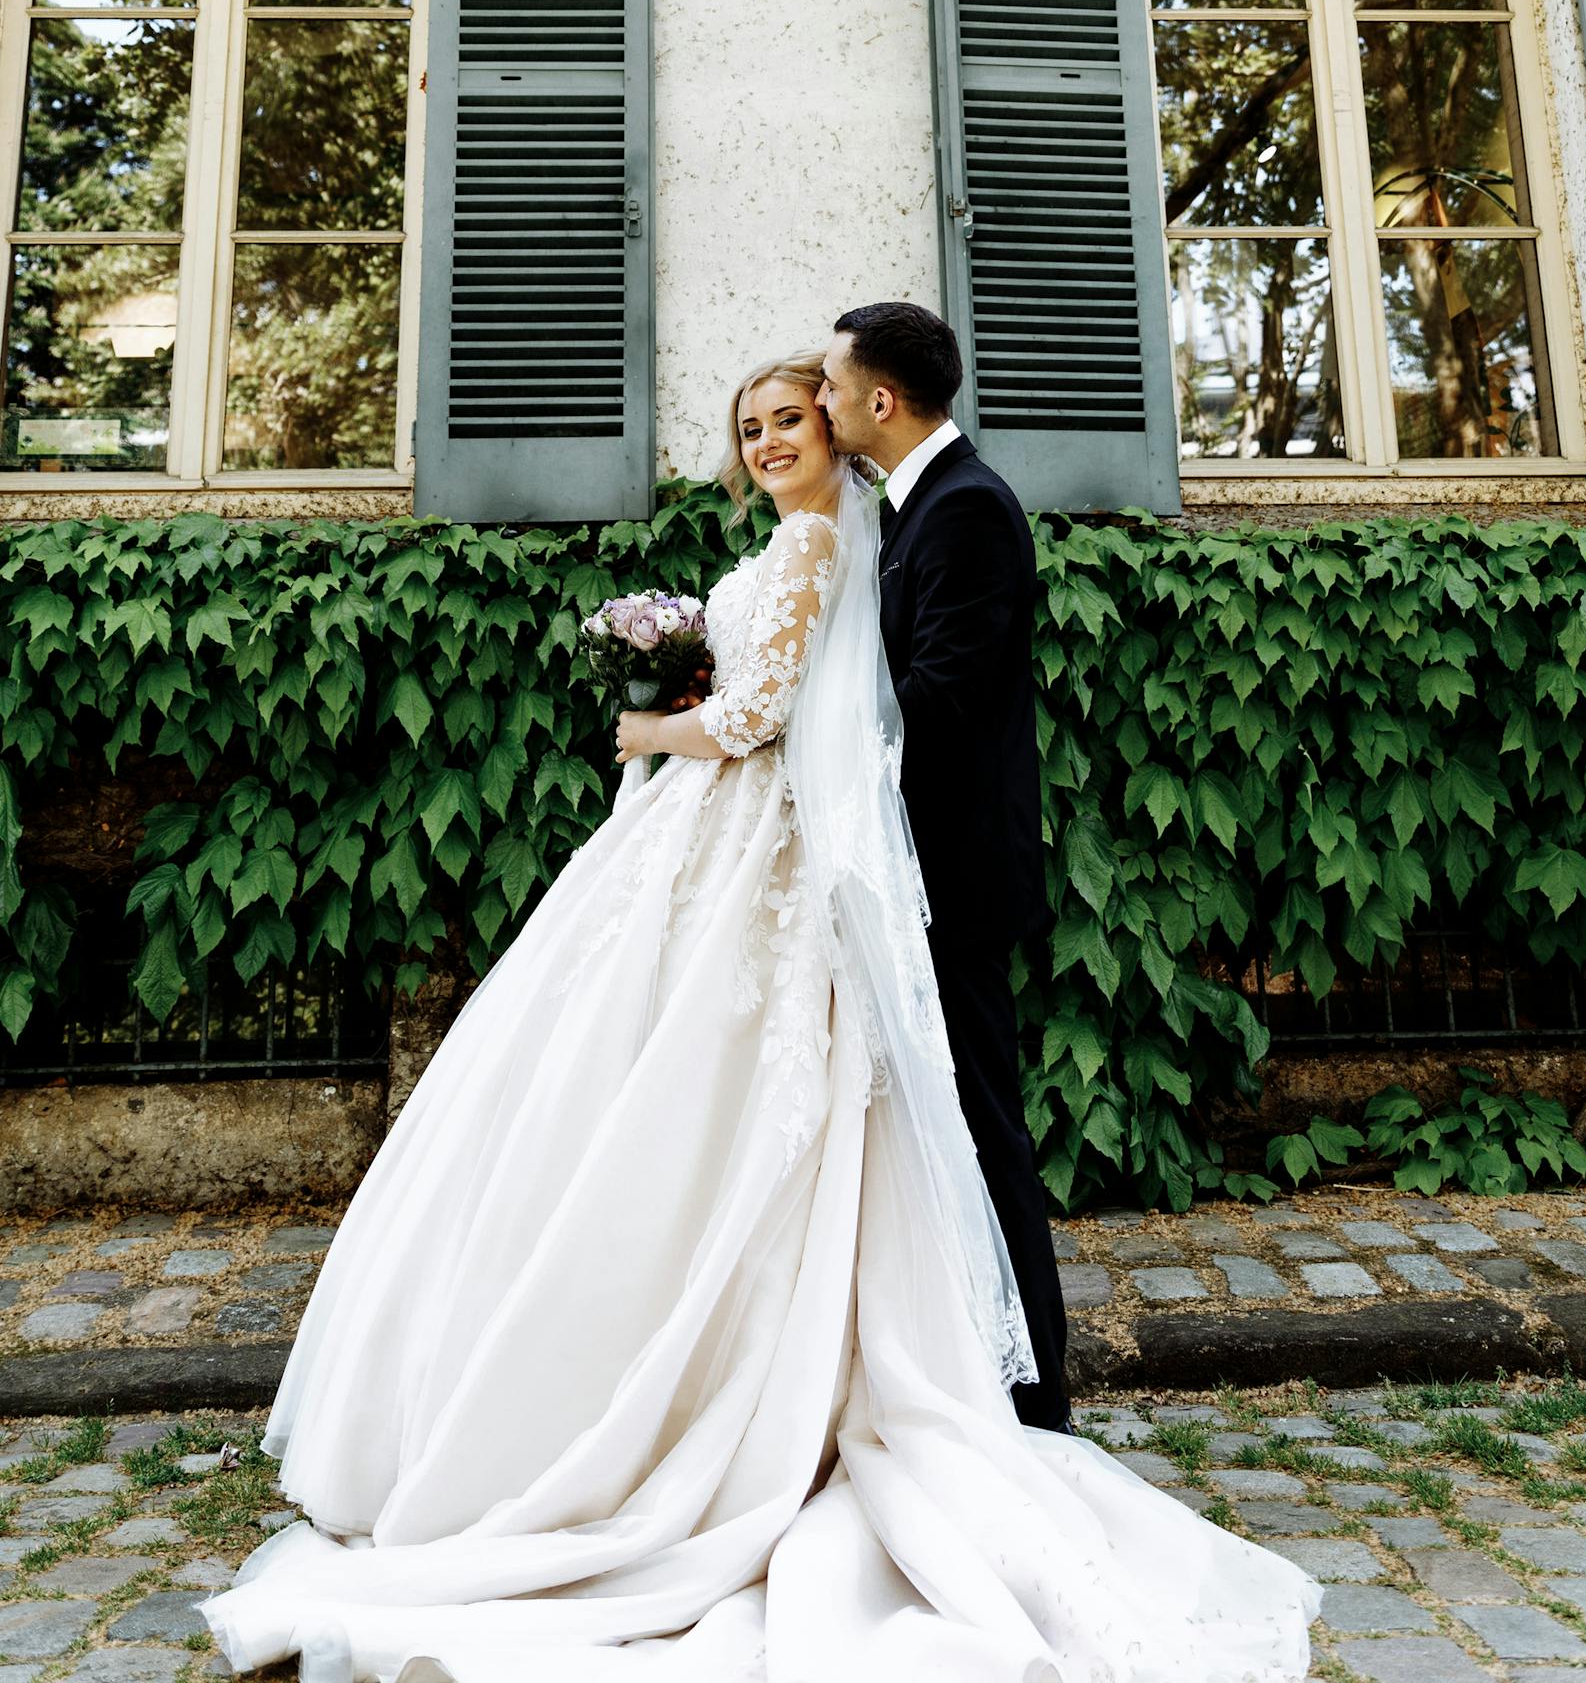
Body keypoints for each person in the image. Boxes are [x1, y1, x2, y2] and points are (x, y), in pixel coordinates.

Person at [205, 351, 1317, 1683]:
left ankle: (808, 1407)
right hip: (720, 852)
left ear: (849, 423)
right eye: (754, 426)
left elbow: (765, 715)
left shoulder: (834, 544)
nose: (775, 436)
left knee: (731, 1106)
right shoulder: (820, 538)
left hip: (753, 848)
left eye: (794, 415)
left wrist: (648, 732)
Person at [818, 300, 1068, 1429]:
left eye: (829, 387)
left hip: (954, 880)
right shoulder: (910, 508)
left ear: (880, 400)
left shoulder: (967, 512)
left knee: (980, 1123)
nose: (819, 406)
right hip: (908, 869)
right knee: (938, 1123)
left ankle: (1038, 1397)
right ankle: (961, 1374)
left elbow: (940, 703)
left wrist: (804, 755)